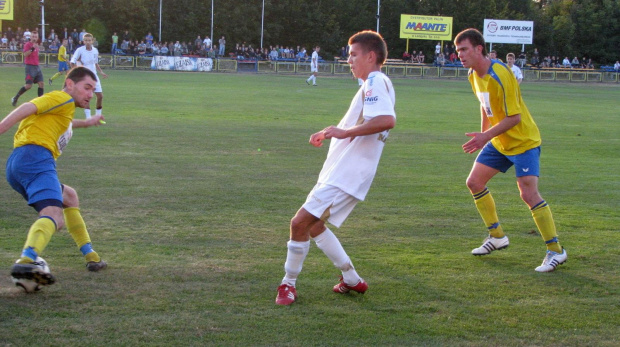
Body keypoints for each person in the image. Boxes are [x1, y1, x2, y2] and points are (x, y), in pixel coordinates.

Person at [275, 30, 396, 305]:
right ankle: (352, 279)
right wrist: (333, 131)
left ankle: (288, 284)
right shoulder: (373, 83)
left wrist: (342, 133)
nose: (349, 60)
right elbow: (367, 123)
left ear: (371, 56)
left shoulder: (375, 81)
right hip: (346, 171)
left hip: (346, 174)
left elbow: (387, 119)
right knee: (315, 226)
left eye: (353, 55)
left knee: (299, 223)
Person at [454, 28, 566, 273]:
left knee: (528, 194)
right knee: (474, 182)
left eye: (464, 49)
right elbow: (485, 106)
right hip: (498, 141)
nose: (459, 55)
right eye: (457, 50)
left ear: (479, 49)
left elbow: (514, 117)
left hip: (523, 141)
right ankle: (497, 237)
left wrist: (486, 135)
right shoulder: (473, 75)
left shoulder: (500, 74)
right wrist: (484, 136)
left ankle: (556, 251)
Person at [1, 67, 108, 290]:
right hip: (35, 159)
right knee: (54, 216)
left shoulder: (63, 109)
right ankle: (26, 261)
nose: (90, 94)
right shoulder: (62, 98)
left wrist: (86, 123)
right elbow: (29, 106)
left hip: (19, 163)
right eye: (87, 87)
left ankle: (91, 257)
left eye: (93, 89)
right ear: (69, 84)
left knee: (69, 196)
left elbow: (62, 121)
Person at [70, 33, 108, 119]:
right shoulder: (80, 50)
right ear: (83, 41)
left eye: (89, 40)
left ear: (92, 41)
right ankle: (88, 118)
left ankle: (98, 117)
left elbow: (95, 63)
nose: (87, 42)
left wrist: (101, 72)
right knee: (87, 97)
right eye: (86, 40)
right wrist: (76, 72)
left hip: (94, 76)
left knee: (100, 96)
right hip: (84, 77)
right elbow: (72, 62)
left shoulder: (95, 50)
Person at [11, 32, 44, 107]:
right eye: (33, 36)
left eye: (36, 36)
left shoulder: (37, 45)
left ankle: (41, 102)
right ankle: (15, 98)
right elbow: (25, 54)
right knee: (28, 86)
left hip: (37, 66)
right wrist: (32, 49)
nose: (34, 38)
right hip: (30, 67)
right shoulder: (27, 45)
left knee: (41, 83)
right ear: (31, 37)